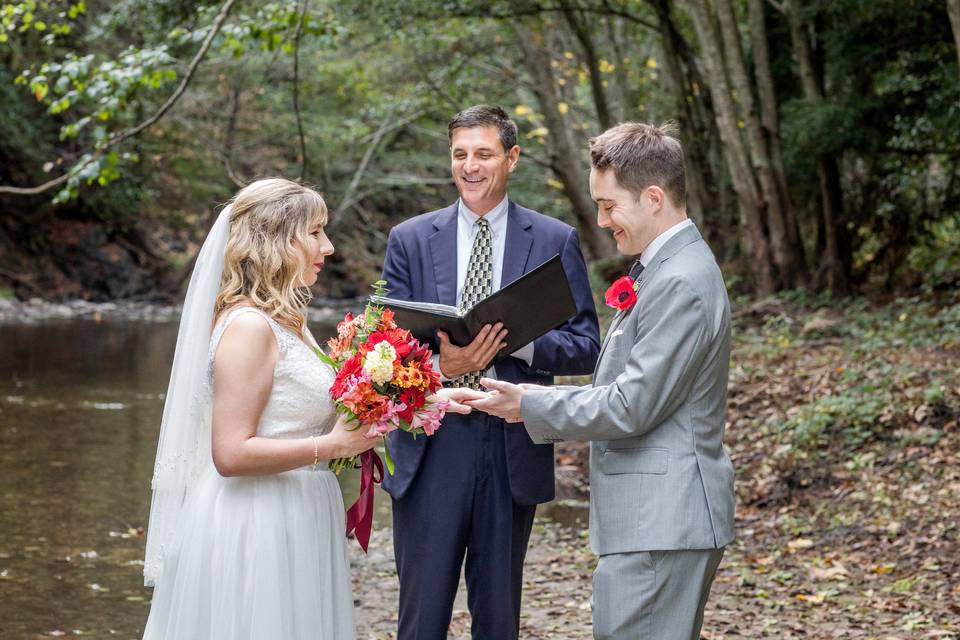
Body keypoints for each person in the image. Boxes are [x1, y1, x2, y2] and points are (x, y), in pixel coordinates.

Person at [141, 178, 480, 640]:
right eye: (316, 232)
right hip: (257, 518)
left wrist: (431, 398)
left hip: (297, 508)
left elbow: (329, 406)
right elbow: (230, 454)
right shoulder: (248, 328)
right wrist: (333, 446)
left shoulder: (285, 323)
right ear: (277, 240)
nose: (330, 246)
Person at [469, 122, 735, 640]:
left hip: (663, 520)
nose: (601, 219)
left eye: (610, 205)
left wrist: (530, 405)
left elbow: (632, 405)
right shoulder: (663, 269)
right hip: (655, 519)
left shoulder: (680, 280)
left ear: (653, 197)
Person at [380, 105, 601, 639]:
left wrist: (519, 343)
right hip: (429, 442)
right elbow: (380, 353)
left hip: (510, 443)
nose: (470, 166)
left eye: (484, 153)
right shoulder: (409, 239)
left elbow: (587, 347)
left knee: (498, 619)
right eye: (460, 154)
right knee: (420, 618)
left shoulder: (553, 240)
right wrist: (440, 363)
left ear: (512, 158)